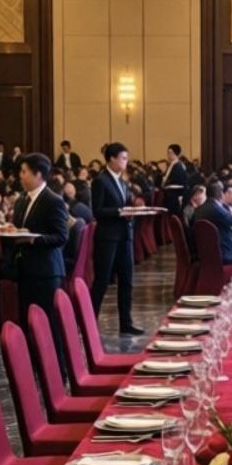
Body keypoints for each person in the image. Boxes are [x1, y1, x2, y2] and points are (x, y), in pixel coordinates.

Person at [3, 152, 68, 325]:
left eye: (24, 171)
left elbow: (61, 236)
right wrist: (12, 230)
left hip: (45, 271)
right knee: (27, 322)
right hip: (25, 269)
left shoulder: (53, 201)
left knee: (46, 324)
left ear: (38, 174)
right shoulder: (22, 200)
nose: (20, 176)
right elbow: (20, 228)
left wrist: (33, 239)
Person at [90, 141, 140, 332]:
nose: (126, 162)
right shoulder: (100, 181)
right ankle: (90, 322)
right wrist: (120, 212)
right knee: (102, 280)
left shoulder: (122, 181)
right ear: (111, 159)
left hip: (124, 235)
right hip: (108, 237)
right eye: (123, 158)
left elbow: (125, 205)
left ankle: (126, 323)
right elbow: (98, 210)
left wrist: (133, 210)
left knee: (127, 280)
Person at [194, 182, 232, 271]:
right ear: (221, 195)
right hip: (223, 253)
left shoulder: (199, 209)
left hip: (204, 254)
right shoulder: (216, 208)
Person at [163, 143, 188, 216]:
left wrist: (166, 184)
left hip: (174, 195)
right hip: (169, 194)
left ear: (175, 153)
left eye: (170, 152)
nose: (168, 155)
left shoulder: (179, 166)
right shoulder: (172, 165)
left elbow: (179, 182)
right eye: (168, 152)